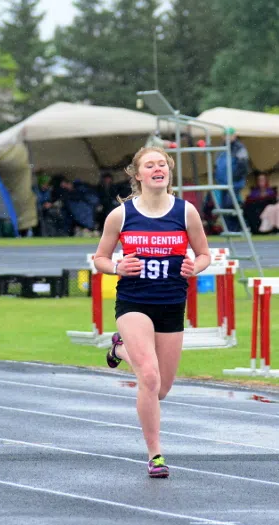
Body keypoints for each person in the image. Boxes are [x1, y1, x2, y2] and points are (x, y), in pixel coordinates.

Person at [92, 146, 211, 479]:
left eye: (162, 164)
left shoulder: (186, 212)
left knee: (160, 389)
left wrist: (194, 267)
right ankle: (155, 454)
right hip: (134, 303)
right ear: (138, 174)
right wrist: (117, 266)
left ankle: (118, 349)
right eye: (150, 164)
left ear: (169, 172)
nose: (157, 168)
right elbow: (100, 258)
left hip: (172, 303)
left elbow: (204, 254)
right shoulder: (122, 215)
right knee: (149, 376)